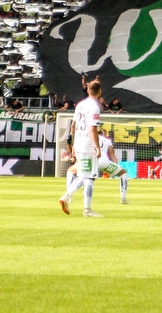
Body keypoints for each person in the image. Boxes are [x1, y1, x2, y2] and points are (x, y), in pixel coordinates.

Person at [59, 75, 104, 217]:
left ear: (88, 90)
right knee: (87, 176)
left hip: (78, 143)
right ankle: (70, 199)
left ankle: (85, 208)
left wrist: (72, 146)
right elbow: (93, 129)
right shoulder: (95, 107)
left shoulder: (79, 105)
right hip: (87, 145)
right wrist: (97, 147)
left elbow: (73, 126)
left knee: (87, 175)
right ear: (100, 91)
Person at [63, 129, 129, 206]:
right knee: (123, 173)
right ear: (103, 134)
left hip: (89, 161)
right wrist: (116, 168)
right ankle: (123, 199)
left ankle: (69, 197)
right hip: (104, 162)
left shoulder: (88, 138)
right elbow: (112, 154)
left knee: (71, 172)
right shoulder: (107, 140)